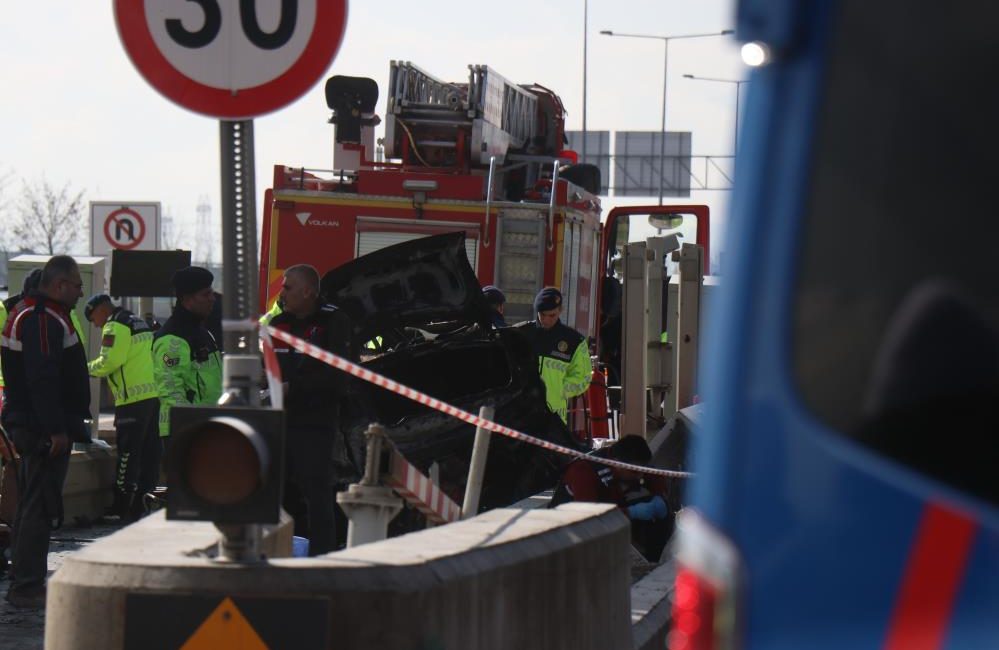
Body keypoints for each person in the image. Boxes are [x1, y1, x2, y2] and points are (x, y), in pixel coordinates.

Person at [0, 256, 90, 608]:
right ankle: (27, 586)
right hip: (40, 429)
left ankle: (24, 580)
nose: (81, 292)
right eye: (77, 285)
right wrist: (55, 430)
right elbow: (43, 378)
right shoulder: (41, 319)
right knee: (39, 506)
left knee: (32, 505)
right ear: (59, 285)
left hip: (33, 424)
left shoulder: (36, 314)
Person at [268, 264, 353, 555]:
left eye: (287, 287)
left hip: (315, 424)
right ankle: (273, 553)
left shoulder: (334, 322)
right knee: (272, 494)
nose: (282, 293)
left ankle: (321, 557)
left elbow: (339, 378)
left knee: (317, 495)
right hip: (277, 422)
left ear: (307, 292)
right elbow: (265, 365)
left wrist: (293, 388)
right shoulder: (277, 324)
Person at [83, 294, 160, 521]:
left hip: (132, 400)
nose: (96, 325)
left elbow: (109, 361)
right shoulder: (137, 321)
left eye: (93, 319)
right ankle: (142, 504)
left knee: (127, 455)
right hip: (152, 397)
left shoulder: (115, 325)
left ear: (101, 309)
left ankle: (121, 507)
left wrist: (83, 369)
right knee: (150, 454)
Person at [549, 434, 672, 561]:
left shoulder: (627, 461)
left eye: (642, 471)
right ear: (617, 463)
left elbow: (653, 475)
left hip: (607, 509)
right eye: (635, 472)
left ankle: (654, 558)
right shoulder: (583, 472)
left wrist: (659, 495)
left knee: (651, 504)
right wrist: (632, 512)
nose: (640, 476)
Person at [151, 267, 222, 450]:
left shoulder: (202, 332)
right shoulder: (173, 339)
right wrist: (190, 427)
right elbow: (171, 390)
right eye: (206, 294)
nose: (212, 299)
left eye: (211, 293)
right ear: (187, 299)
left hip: (207, 426)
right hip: (186, 431)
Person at [517, 287, 591, 423]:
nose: (546, 320)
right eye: (542, 314)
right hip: (521, 413)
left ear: (560, 310)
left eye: (552, 315)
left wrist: (559, 390)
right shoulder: (520, 334)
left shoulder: (574, 341)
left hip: (554, 418)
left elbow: (584, 377)